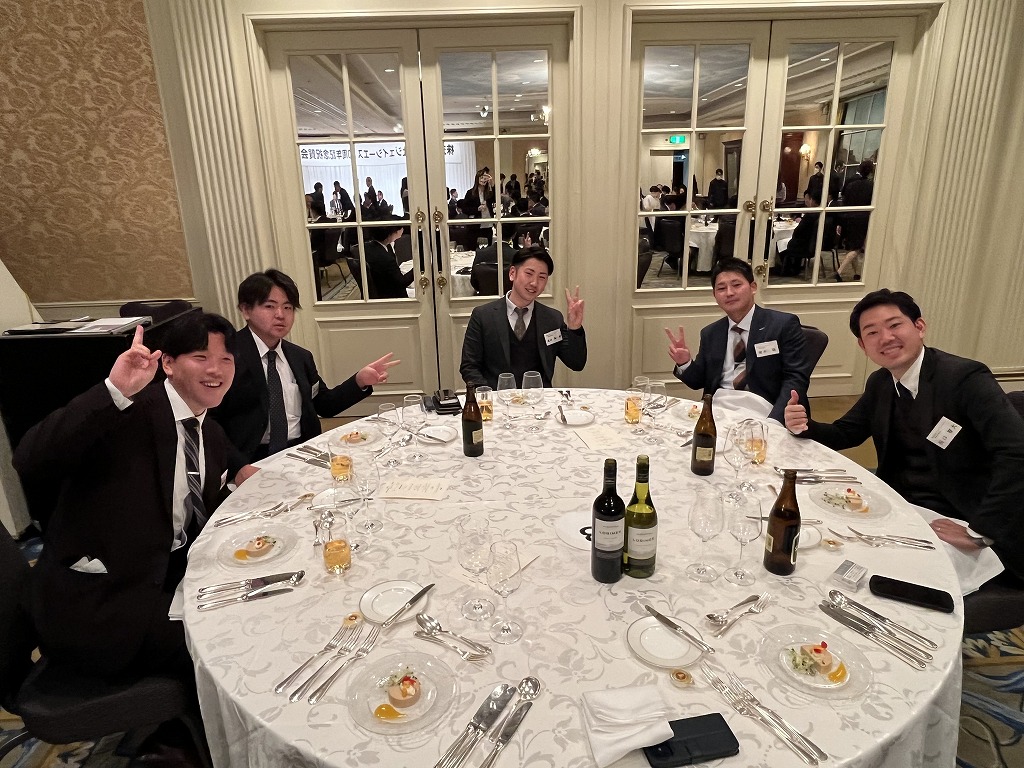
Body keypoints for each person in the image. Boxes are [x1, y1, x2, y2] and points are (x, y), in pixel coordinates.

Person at [13, 314, 236, 683]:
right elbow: (29, 458)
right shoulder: (125, 413)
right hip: (106, 600)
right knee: (229, 643)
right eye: (201, 357)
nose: (216, 369)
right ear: (168, 364)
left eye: (225, 359)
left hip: (171, 574)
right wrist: (114, 390)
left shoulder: (209, 433)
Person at [784, 289, 1024, 579]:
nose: (885, 338)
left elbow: (1016, 452)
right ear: (862, 345)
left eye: (895, 325)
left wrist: (980, 532)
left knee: (888, 577)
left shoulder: (964, 379)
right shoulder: (882, 382)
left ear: (919, 327)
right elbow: (846, 432)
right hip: (901, 507)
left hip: (962, 514)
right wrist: (805, 425)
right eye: (872, 332)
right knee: (820, 543)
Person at [209, 269, 399, 483]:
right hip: (251, 459)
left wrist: (359, 381)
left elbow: (324, 405)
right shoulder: (228, 357)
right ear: (246, 310)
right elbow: (209, 422)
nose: (280, 315)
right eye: (270, 306)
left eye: (288, 307)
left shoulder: (300, 357)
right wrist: (238, 467)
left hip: (303, 453)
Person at [665, 257, 810, 423]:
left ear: (753, 287)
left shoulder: (782, 325)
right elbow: (698, 382)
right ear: (714, 295)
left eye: (736, 285)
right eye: (721, 288)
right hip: (718, 410)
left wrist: (775, 421)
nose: (729, 293)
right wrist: (684, 363)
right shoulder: (711, 333)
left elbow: (795, 378)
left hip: (765, 410)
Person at [460, 244, 586, 389]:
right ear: (512, 273)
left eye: (542, 277)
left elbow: (576, 363)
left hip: (539, 399)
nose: (534, 283)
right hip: (499, 398)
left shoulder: (552, 319)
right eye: (529, 274)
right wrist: (489, 395)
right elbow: (469, 366)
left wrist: (575, 328)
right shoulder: (483, 316)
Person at [836, 159, 874, 281]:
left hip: (848, 218)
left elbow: (845, 203)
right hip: (862, 220)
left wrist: (841, 222)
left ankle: (857, 273)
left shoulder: (851, 184)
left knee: (852, 247)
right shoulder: (871, 186)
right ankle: (839, 271)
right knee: (857, 248)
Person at [363, 218, 414, 299]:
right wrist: (417, 267)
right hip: (390, 296)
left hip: (378, 290)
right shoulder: (386, 258)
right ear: (392, 233)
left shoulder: (367, 247)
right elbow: (402, 282)